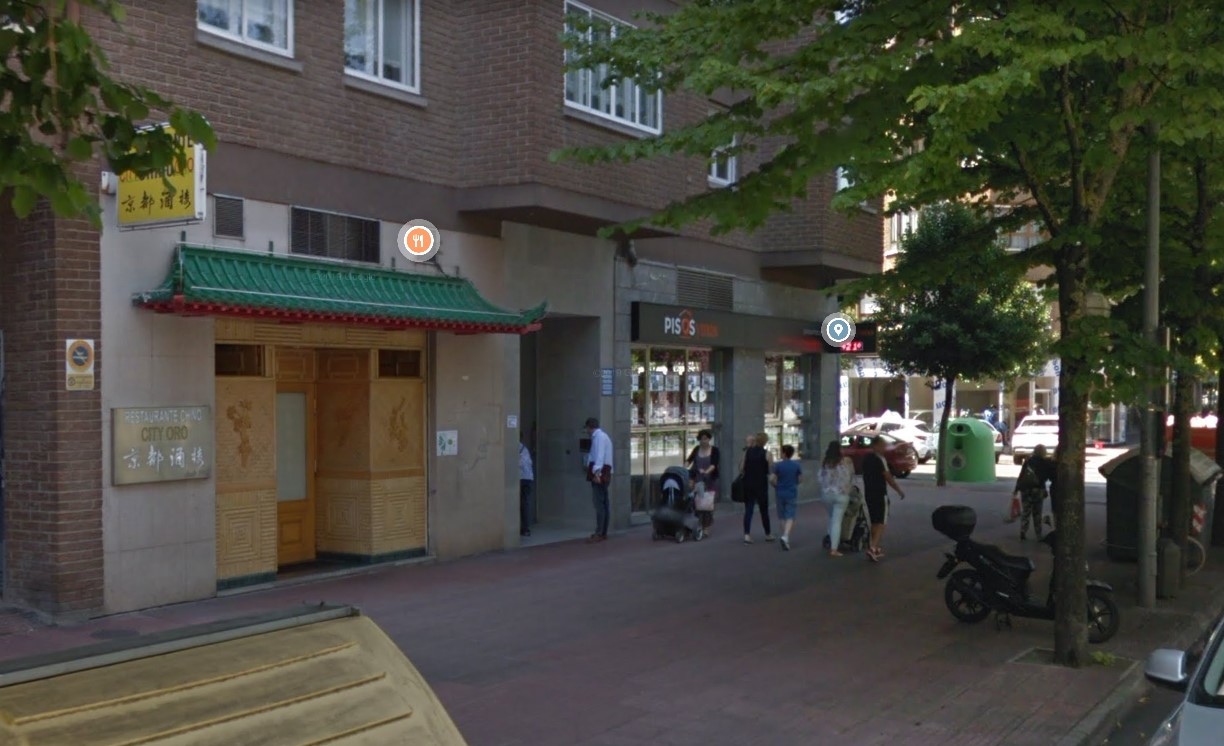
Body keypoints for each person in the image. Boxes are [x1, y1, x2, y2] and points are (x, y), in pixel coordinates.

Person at [861, 435, 905, 561]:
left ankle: (874, 546)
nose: (884, 448)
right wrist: (898, 490)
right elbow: (887, 476)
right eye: (882, 445)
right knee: (881, 522)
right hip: (880, 493)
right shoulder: (880, 459)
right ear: (876, 446)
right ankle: (873, 547)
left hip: (868, 493)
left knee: (874, 521)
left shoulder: (866, 459)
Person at [818, 440, 856, 557]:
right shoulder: (847, 460)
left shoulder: (825, 462)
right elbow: (852, 475)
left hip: (826, 495)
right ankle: (834, 549)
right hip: (842, 495)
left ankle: (831, 541)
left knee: (831, 518)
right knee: (837, 521)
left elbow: (820, 478)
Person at [1013, 443, 1056, 539]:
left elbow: (1022, 475)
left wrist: (1016, 488)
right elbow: (1050, 476)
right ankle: (1038, 534)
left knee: (1026, 511)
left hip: (1026, 489)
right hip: (1038, 490)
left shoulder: (1028, 461)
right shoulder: (1045, 463)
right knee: (1037, 513)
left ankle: (1023, 530)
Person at [741, 432, 774, 544]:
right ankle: (768, 534)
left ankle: (747, 535)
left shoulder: (747, 452)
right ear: (765, 442)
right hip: (761, 485)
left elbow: (741, 468)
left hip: (748, 484)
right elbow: (771, 471)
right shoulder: (767, 454)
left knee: (748, 510)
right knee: (764, 511)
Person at [584, 417, 613, 543]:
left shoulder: (599, 437)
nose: (586, 431)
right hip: (605, 471)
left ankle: (599, 532)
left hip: (600, 472)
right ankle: (603, 532)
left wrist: (596, 473)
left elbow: (599, 456)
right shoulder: (603, 437)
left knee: (599, 503)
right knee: (604, 503)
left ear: (589, 427)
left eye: (586, 428)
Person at [686, 429, 720, 535]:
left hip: (710, 480)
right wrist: (683, 468)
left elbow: (714, 464)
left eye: (705, 439)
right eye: (701, 439)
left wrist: (706, 472)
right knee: (697, 502)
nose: (703, 441)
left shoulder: (715, 450)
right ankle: (698, 523)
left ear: (709, 439)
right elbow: (689, 460)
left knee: (707, 504)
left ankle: (706, 526)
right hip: (697, 479)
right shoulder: (696, 449)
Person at [770, 444, 802, 550]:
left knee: (782, 516)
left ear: (784, 453)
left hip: (780, 492)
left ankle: (785, 536)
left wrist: (776, 485)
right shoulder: (796, 465)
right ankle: (786, 536)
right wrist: (794, 483)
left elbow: (772, 479)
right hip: (791, 492)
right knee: (790, 515)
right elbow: (800, 479)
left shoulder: (778, 466)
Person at [519, 439, 534, 537]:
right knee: (525, 503)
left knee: (523, 504)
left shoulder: (518, 447)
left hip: (522, 478)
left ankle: (525, 528)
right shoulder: (525, 450)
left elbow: (519, 464)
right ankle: (526, 527)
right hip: (528, 478)